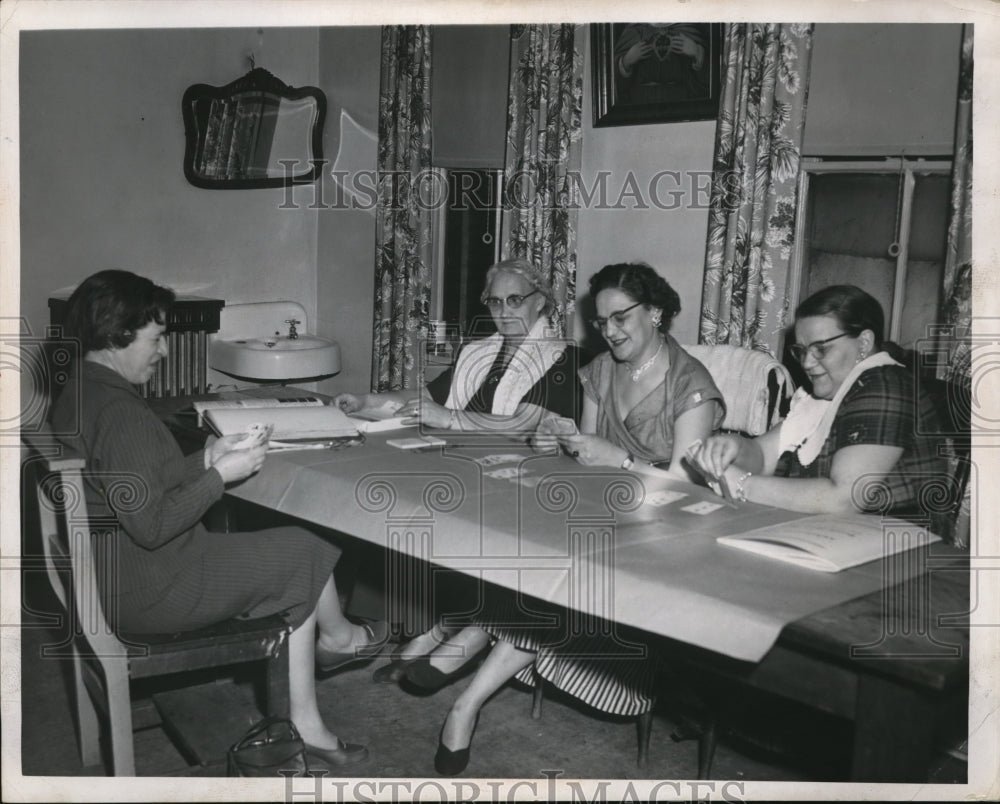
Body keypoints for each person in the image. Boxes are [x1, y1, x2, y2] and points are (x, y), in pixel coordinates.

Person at [50, 270, 384, 768]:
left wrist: (205, 458)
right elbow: (151, 525)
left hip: (108, 578)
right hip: (152, 589)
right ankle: (329, 667)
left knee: (293, 547)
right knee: (307, 546)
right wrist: (219, 477)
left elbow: (132, 485)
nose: (164, 350)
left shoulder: (81, 390)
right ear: (117, 336)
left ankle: (334, 651)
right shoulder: (122, 413)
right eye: (156, 338)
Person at [429, 261, 726, 775]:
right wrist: (559, 442)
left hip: (666, 530)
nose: (610, 331)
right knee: (536, 539)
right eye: (602, 321)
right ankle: (474, 640)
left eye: (621, 318)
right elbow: (586, 457)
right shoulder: (600, 370)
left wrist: (621, 462)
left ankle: (467, 698)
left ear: (655, 313)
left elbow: (683, 489)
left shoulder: (690, 384)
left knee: (563, 572)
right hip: (605, 511)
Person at [334, 258, 584, 682]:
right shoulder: (479, 351)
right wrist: (365, 401)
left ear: (541, 301)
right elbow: (425, 398)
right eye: (495, 301)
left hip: (521, 477)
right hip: (466, 463)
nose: (504, 311)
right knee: (390, 495)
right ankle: (414, 624)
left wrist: (448, 419)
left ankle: (441, 630)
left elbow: (522, 424)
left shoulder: (563, 357)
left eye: (515, 300)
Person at [689, 284, 946, 522]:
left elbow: (844, 499)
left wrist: (743, 485)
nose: (807, 363)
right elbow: (763, 456)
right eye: (801, 351)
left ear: (864, 343)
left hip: (894, 544)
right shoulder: (827, 393)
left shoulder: (885, 384)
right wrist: (733, 448)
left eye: (820, 349)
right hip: (835, 533)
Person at [613, 23, 711, 105]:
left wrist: (697, 52)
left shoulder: (687, 28)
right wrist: (626, 61)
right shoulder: (635, 30)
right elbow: (612, 84)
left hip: (680, 103)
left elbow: (711, 82)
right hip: (641, 103)